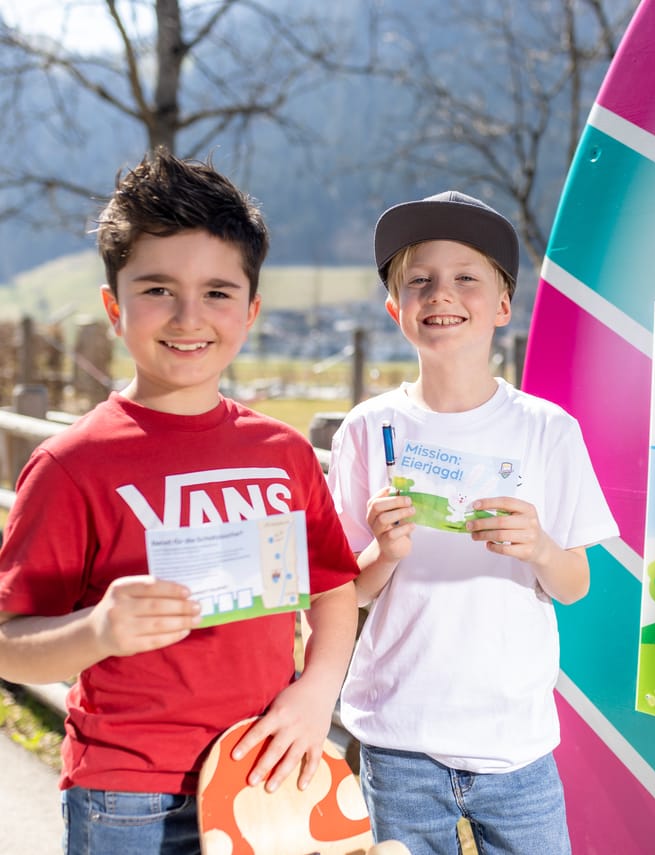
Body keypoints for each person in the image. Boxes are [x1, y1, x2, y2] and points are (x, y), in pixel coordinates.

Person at [0, 148, 361, 855]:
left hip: (266, 780)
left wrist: (316, 692)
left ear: (251, 311)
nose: (189, 315)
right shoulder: (72, 466)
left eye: (218, 292)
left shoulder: (283, 454)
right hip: (128, 799)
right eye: (158, 288)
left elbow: (333, 590)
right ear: (114, 307)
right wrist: (97, 630)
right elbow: (10, 644)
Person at [327, 190, 619, 854]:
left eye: (466, 278)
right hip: (397, 738)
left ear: (503, 306)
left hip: (515, 742)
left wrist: (540, 548)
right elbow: (347, 592)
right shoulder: (368, 429)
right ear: (395, 308)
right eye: (419, 281)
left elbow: (575, 585)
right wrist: (384, 553)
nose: (441, 294)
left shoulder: (547, 430)